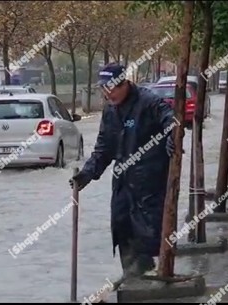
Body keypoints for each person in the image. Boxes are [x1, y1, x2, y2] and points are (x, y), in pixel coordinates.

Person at [69, 63, 176, 278]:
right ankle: (131, 277)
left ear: (125, 83)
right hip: (123, 183)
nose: (109, 94)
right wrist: (86, 175)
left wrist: (172, 139)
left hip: (150, 183)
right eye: (105, 89)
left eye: (113, 88)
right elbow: (104, 148)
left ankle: (152, 276)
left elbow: (172, 121)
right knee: (122, 228)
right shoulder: (110, 111)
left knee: (148, 233)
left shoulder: (148, 102)